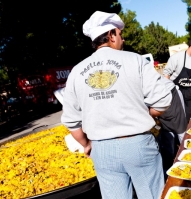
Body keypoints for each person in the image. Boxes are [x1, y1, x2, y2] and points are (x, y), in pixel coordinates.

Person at [61, 11, 172, 199]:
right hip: (138, 144)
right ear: (111, 35)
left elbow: (72, 121)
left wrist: (86, 144)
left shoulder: (77, 72)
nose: (123, 39)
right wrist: (146, 114)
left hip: (102, 150)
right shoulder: (135, 60)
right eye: (120, 35)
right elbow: (163, 100)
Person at [157, 77, 187, 178]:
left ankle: (187, 162)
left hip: (170, 95)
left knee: (180, 130)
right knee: (167, 135)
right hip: (157, 99)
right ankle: (170, 166)